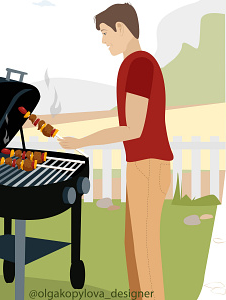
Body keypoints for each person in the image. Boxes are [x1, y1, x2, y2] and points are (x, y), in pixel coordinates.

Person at [59, 3, 173, 300]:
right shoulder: (135, 64)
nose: (103, 40)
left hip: (149, 165)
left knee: (144, 252)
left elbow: (132, 129)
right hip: (142, 165)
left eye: (105, 32)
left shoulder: (138, 65)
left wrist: (81, 141)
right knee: (134, 248)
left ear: (122, 28)